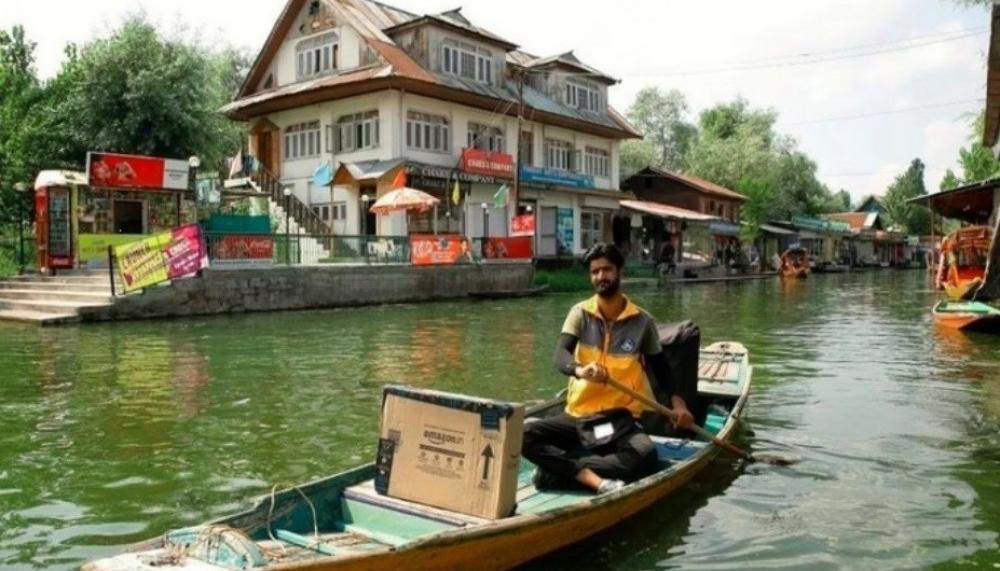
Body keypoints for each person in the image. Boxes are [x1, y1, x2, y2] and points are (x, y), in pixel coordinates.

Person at [522, 243, 694, 494]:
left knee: (644, 457)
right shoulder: (579, 313)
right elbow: (560, 356)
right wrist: (580, 370)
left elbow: (662, 369)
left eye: (607, 270)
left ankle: (557, 469)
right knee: (522, 434)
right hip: (579, 419)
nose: (601, 276)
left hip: (615, 424)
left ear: (620, 271)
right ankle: (581, 473)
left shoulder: (642, 321)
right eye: (595, 271)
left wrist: (678, 405)